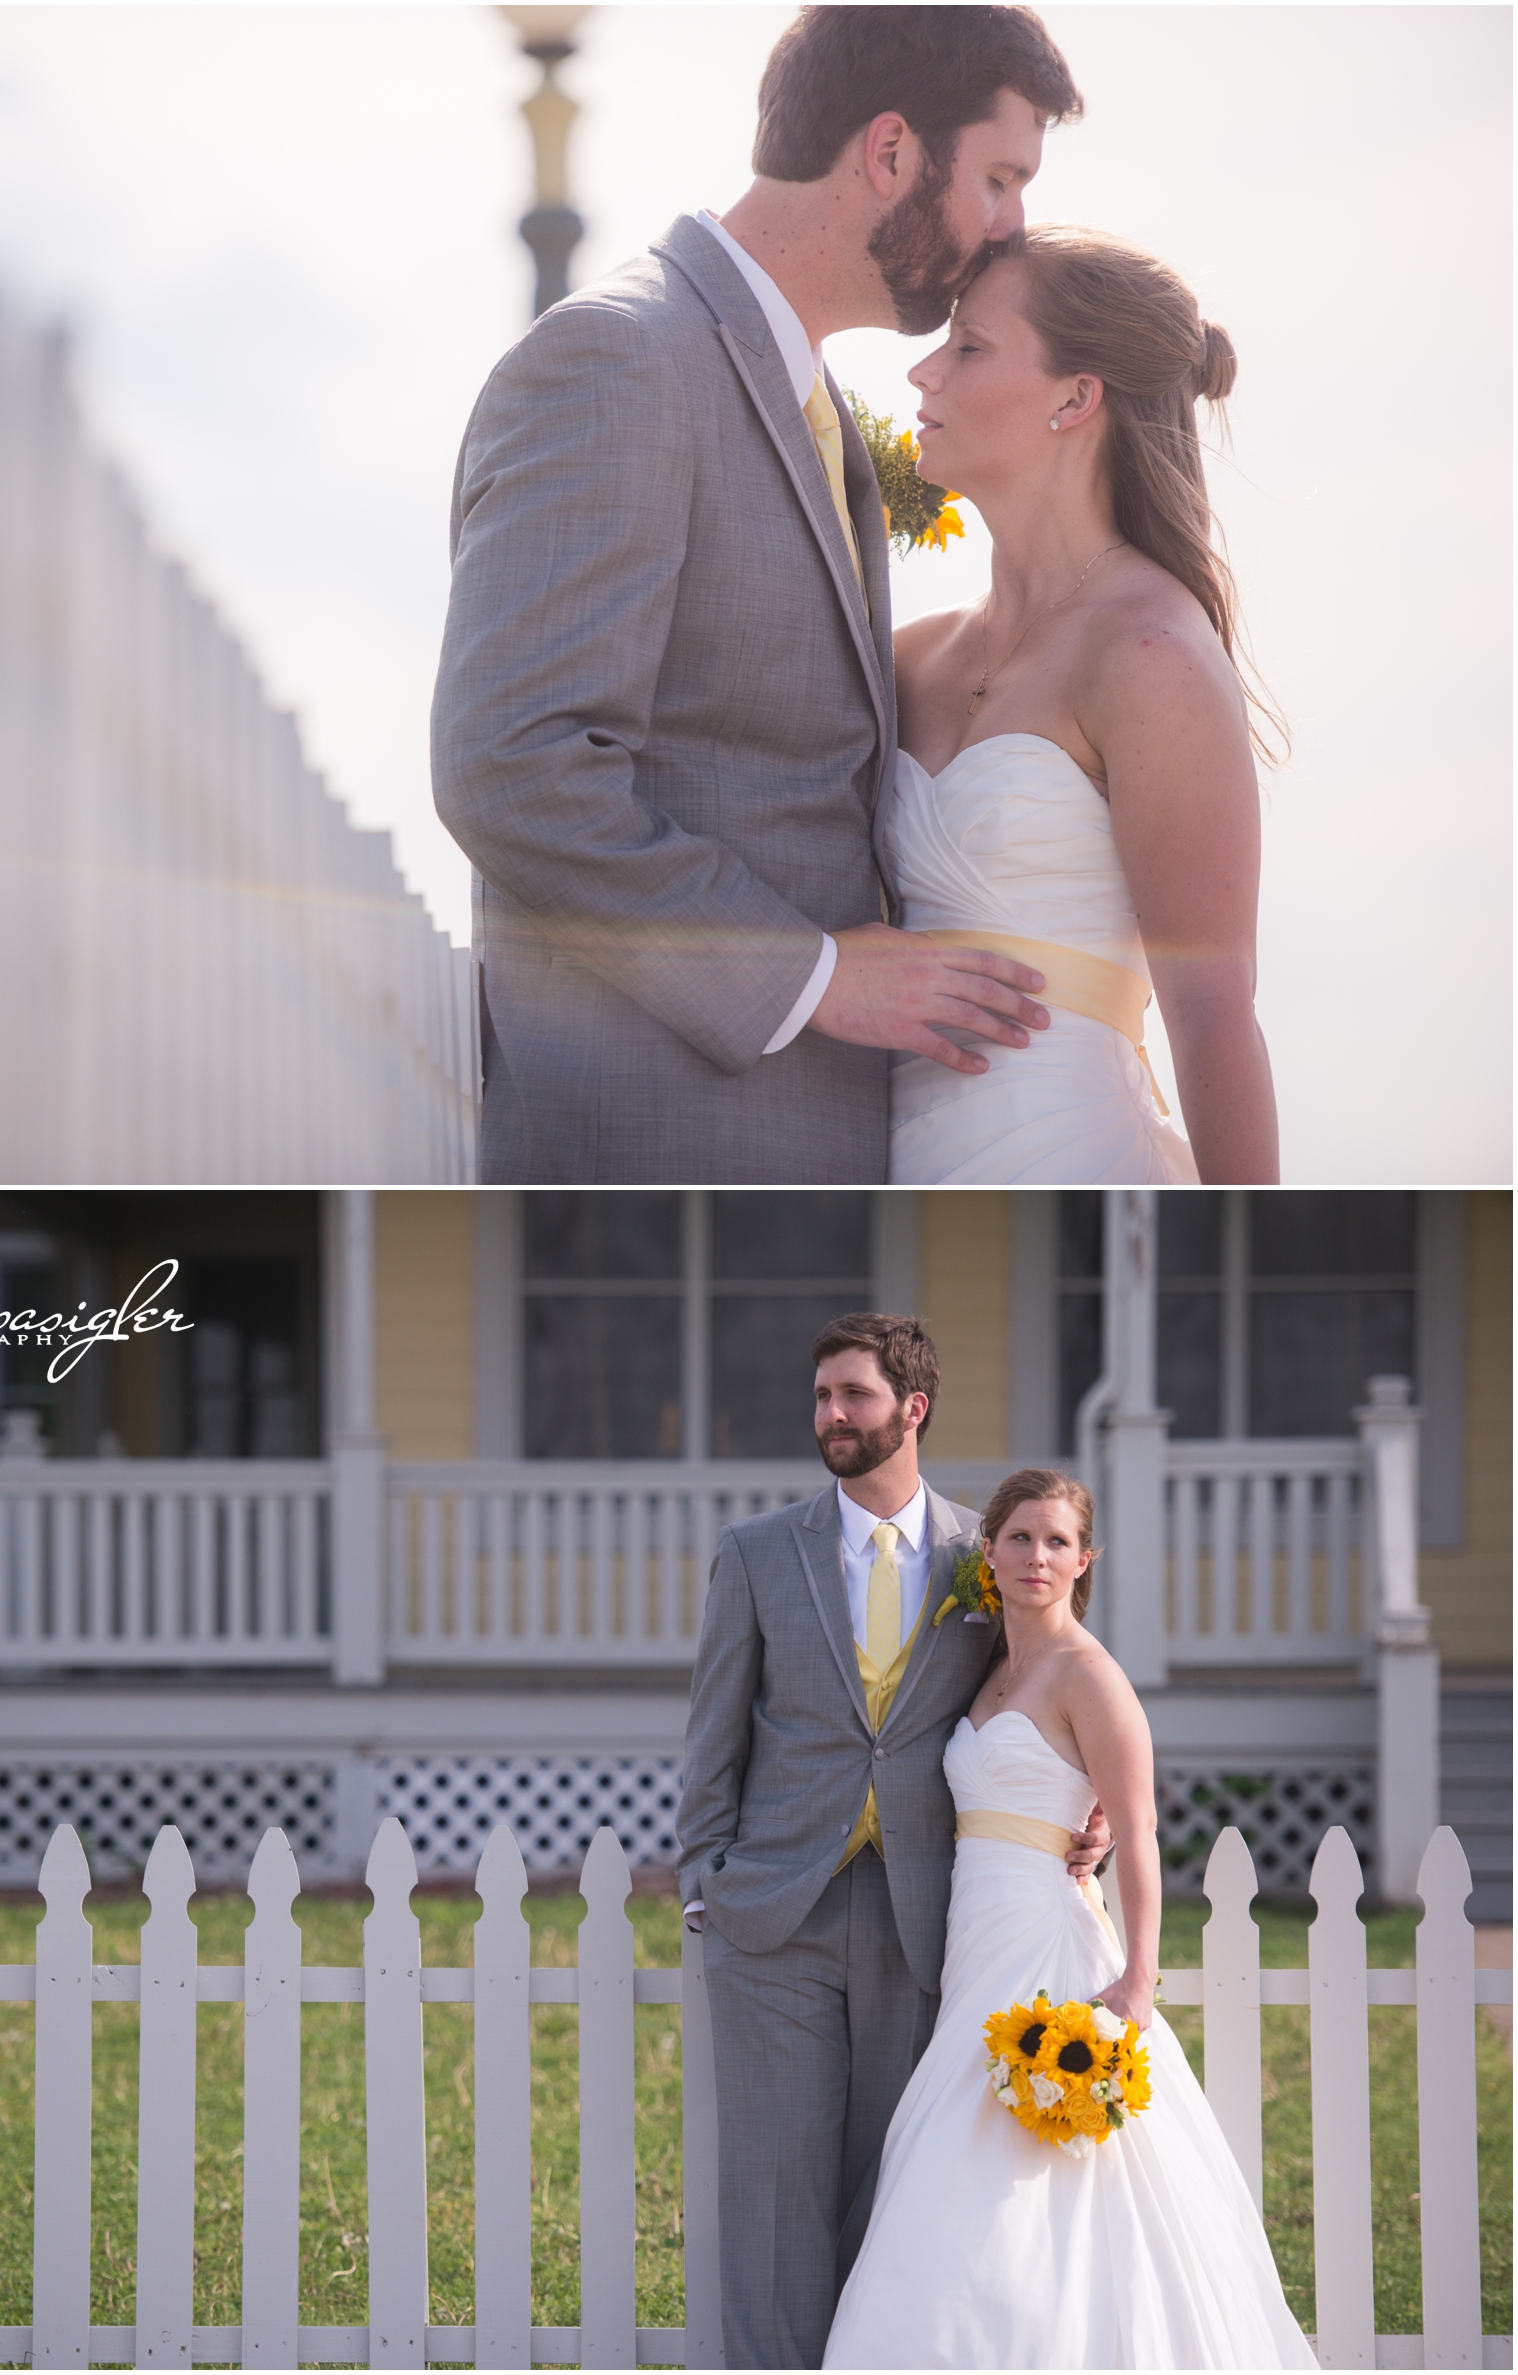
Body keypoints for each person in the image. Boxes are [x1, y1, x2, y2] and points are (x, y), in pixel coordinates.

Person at [431, 7, 1081, 1183]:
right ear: (888, 153)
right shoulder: (620, 359)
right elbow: (512, 763)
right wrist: (815, 974)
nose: (1010, 226)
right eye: (996, 177)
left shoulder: (802, 394)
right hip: (667, 1146)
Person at [676, 1316, 1111, 2368]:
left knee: (898, 2191)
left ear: (911, 1408)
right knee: (770, 2195)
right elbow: (711, 1730)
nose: (831, 1413)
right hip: (773, 1912)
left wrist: (1086, 1807)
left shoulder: (988, 1553)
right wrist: (707, 1885)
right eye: (822, 1393)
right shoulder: (755, 1552)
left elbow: (1058, 1687)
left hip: (927, 1916)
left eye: (854, 1395)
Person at [824, 1470, 1316, 2370]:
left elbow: (1139, 1830)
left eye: (1057, 1541)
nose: (1037, 1557)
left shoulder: (1091, 1674)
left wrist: (1137, 1976)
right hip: (976, 1937)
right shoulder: (986, 1667)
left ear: (1084, 1559)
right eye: (1019, 1537)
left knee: (1036, 2156)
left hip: (1051, 1939)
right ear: (991, 1552)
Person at [883, 228, 1283, 1184]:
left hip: (1065, 1151)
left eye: (969, 346)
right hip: (880, 1156)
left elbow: (1214, 1016)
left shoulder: (1153, 653)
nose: (922, 371)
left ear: (1076, 396)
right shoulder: (907, 658)